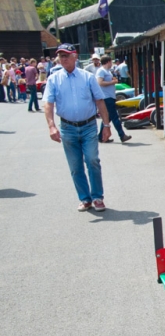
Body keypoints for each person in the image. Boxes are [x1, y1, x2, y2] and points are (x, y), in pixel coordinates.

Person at [43, 44, 112, 212]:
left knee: (92, 160)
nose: (63, 58)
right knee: (75, 166)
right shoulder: (54, 79)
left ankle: (97, 197)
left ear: (75, 56)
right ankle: (85, 198)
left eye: (66, 55)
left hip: (88, 125)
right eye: (60, 56)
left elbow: (100, 101)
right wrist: (51, 125)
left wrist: (106, 125)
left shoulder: (88, 77)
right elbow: (48, 104)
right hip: (68, 127)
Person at [96, 55, 131, 144]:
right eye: (111, 62)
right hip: (106, 97)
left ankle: (101, 136)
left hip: (110, 96)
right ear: (108, 62)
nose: (112, 63)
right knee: (115, 117)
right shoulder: (101, 71)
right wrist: (112, 82)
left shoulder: (107, 71)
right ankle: (122, 135)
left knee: (107, 117)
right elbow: (99, 82)